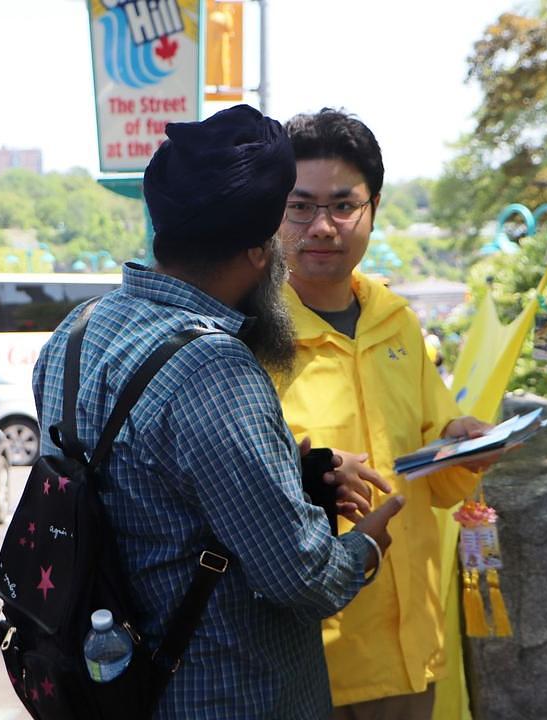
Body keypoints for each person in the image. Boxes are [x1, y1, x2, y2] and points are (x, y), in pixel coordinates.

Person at [33, 104, 404, 720]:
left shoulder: (78, 331)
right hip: (221, 693)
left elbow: (141, 496)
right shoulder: (215, 369)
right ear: (261, 253)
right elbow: (303, 578)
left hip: (108, 682)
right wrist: (365, 546)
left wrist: (296, 475)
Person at [275, 108, 492, 720]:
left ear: (372, 210)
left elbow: (435, 474)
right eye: (300, 206)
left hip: (408, 650)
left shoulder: (395, 318)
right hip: (304, 658)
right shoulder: (246, 338)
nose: (322, 226)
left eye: (343, 205)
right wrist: (309, 471)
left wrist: (465, 442)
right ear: (272, 211)